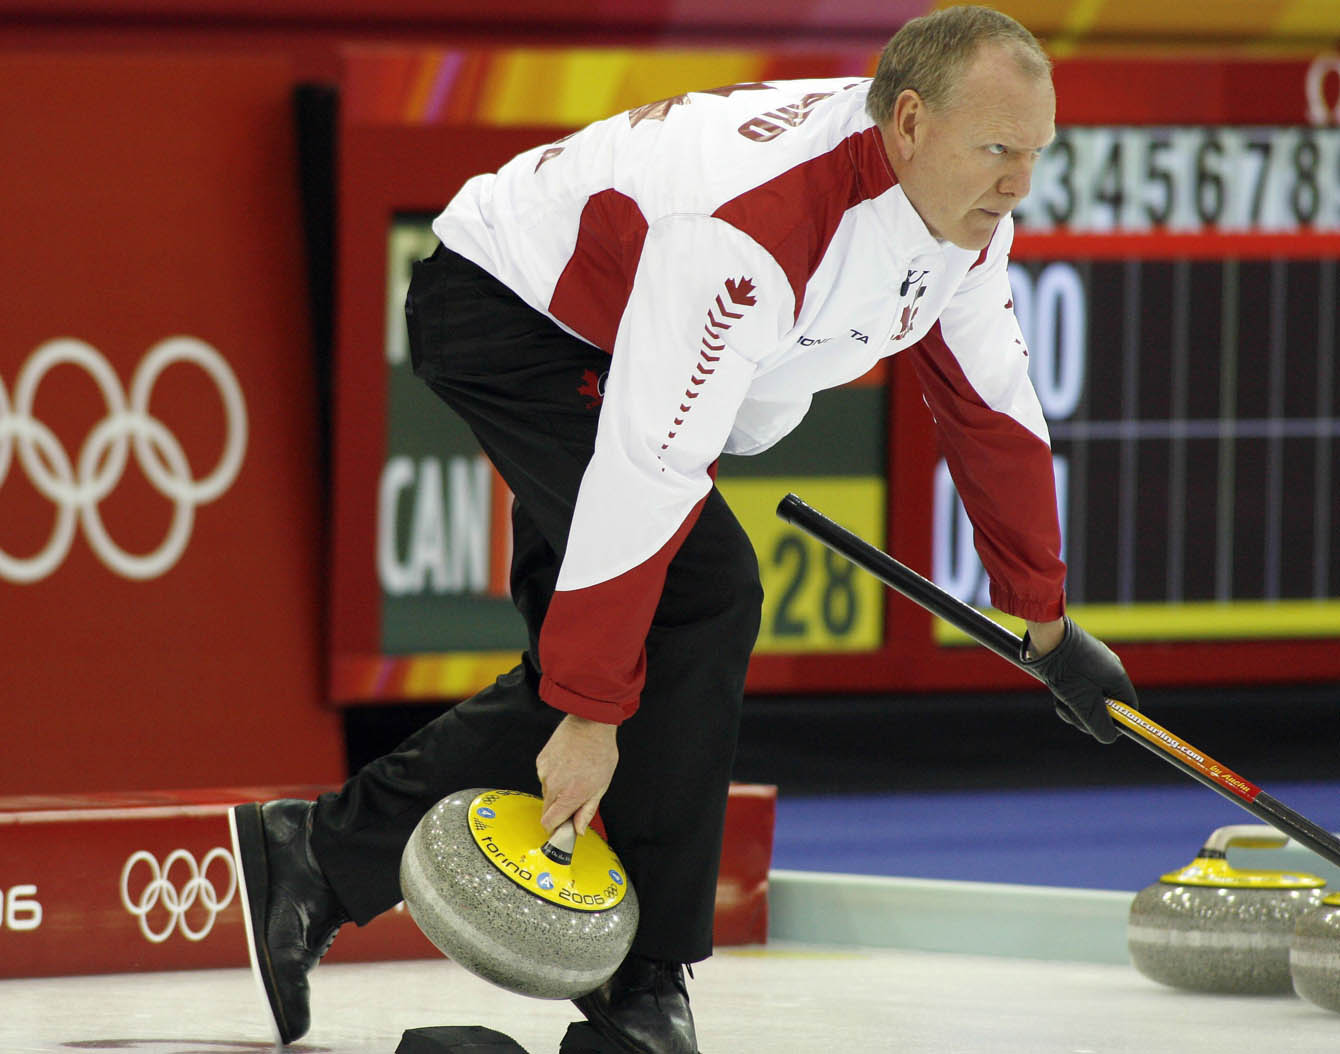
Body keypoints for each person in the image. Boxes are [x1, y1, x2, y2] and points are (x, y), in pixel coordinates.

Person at [229, 5, 1139, 1052]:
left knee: (628, 643)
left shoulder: (960, 217)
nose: (1018, 181)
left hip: (626, 327)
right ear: (906, 123)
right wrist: (586, 711)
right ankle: (640, 980)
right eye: (996, 150)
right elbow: (651, 465)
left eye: (1034, 153)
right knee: (695, 595)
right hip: (509, 312)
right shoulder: (752, 229)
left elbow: (991, 415)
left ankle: (316, 858)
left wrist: (1045, 625)